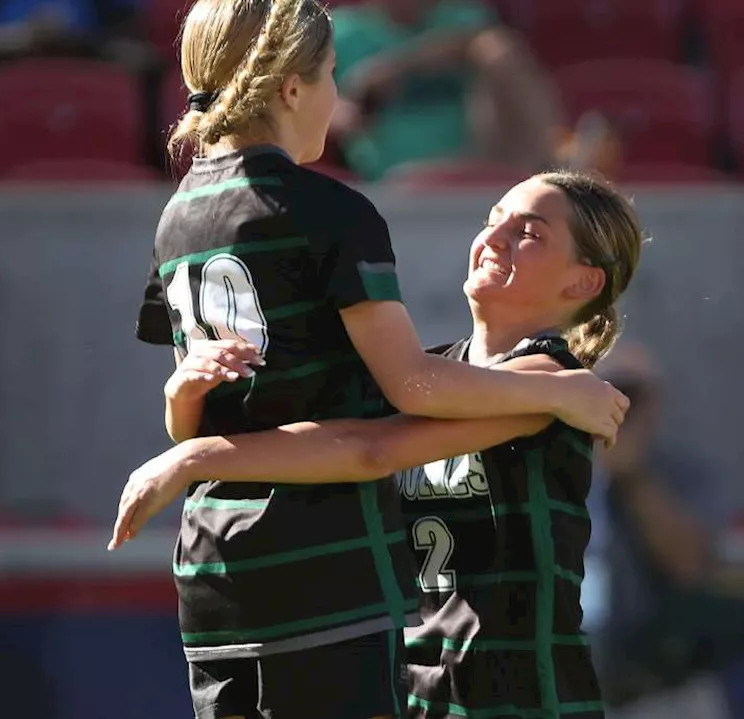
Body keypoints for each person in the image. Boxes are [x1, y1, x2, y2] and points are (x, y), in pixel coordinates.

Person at [129, 1, 628, 717]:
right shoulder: (334, 222)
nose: (340, 98)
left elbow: (296, 434)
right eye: (334, 75)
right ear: (293, 88)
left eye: (529, 232)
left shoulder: (178, 215)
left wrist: (190, 444)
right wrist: (189, 445)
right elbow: (386, 418)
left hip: (221, 582)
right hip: (334, 596)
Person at [583, 345, 736, 719]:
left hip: (659, 684)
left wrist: (633, 477)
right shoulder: (546, 471)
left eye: (631, 393)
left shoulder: (680, 475)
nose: (618, 403)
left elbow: (689, 566)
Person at [328, 0, 562, 180]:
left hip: (479, 162)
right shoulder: (342, 31)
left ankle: (548, 164)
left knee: (501, 53)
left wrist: (398, 69)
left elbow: (485, 46)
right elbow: (310, 101)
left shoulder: (461, 16)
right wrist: (346, 110)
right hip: (390, 179)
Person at [0, 0, 155, 179]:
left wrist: (78, 39)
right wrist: (21, 37)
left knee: (155, 74)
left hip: (88, 52)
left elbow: (132, 36)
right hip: (1, 52)